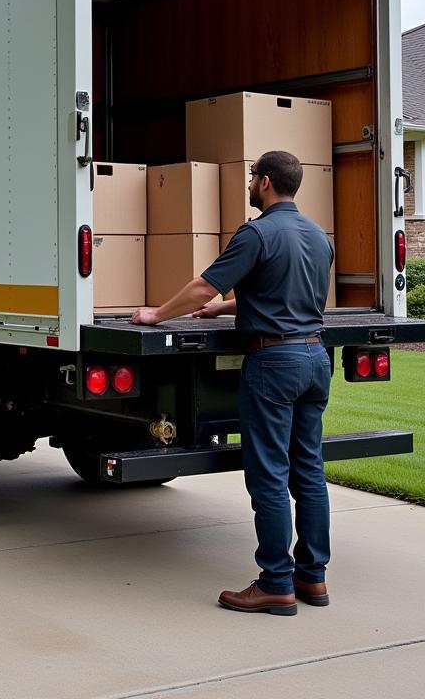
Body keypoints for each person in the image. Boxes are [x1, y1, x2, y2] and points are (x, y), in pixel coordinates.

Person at [131, 150, 334, 616]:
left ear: (264, 182)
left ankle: (275, 583)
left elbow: (205, 286)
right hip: (314, 357)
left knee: (269, 474)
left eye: (250, 178)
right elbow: (284, 295)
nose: (248, 185)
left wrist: (156, 314)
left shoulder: (256, 232)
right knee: (308, 471)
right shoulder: (318, 237)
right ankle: (312, 578)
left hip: (273, 363)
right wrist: (225, 310)